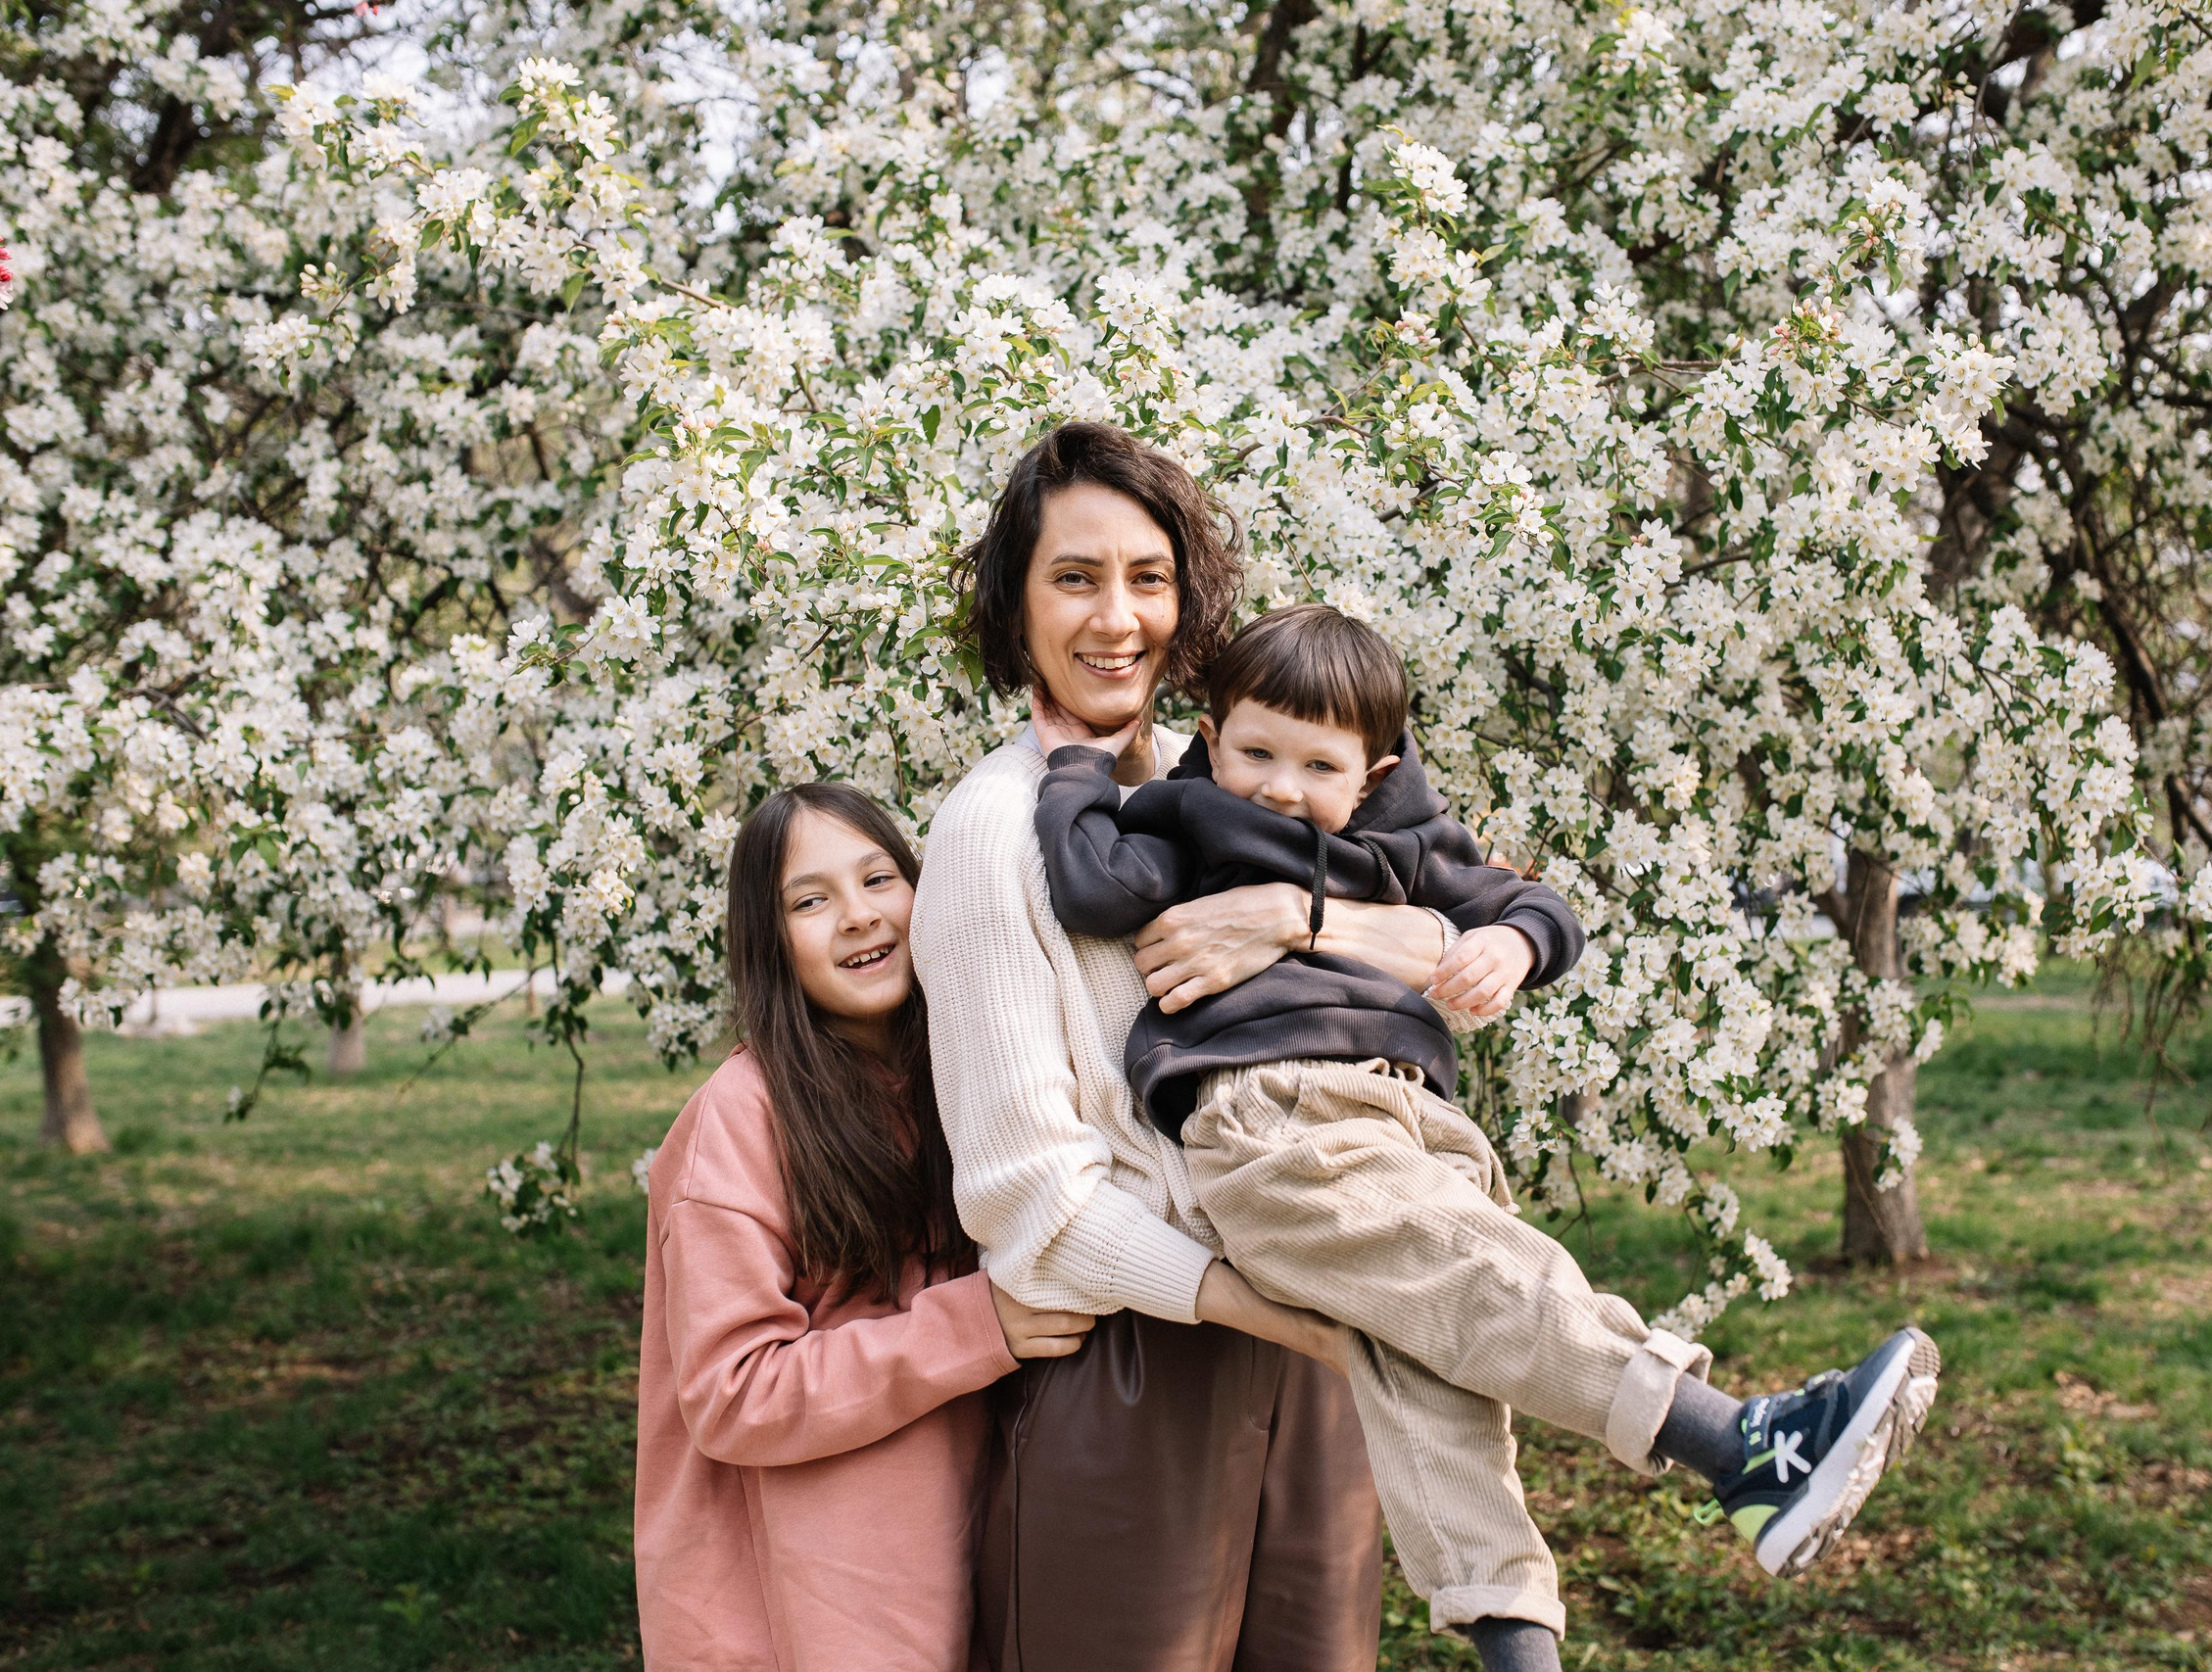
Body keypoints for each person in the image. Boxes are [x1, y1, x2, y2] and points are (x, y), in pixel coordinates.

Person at [1030, 601, 1943, 1672]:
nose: (1279, 786)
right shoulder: (1189, 823)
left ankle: (1518, 1648)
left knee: (1438, 1386)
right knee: (1489, 1283)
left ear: (1372, 773)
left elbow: (1530, 904)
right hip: (1275, 1114)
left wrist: (1509, 943)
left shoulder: (1400, 844)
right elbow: (1091, 882)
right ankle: (1733, 1442)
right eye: (1254, 751)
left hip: (1414, 1119)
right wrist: (1077, 774)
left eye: (1316, 765)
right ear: (1213, 736)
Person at [912, 420, 1491, 1672]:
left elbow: (1447, 937)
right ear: (1016, 605)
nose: (1115, 617)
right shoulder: (992, 834)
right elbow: (1032, 1203)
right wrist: (1266, 1308)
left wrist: (1294, 913)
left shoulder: (1246, 778)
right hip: (1142, 1356)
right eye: (1074, 577)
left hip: (1321, 1333)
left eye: (1147, 577)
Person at [634, 783, 1098, 1672]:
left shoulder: (969, 1073)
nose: (857, 916)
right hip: (796, 1609)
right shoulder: (739, 1121)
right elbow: (732, 1393)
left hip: (957, 1553)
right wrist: (978, 1325)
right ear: (769, 942)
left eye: (878, 878)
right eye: (810, 900)